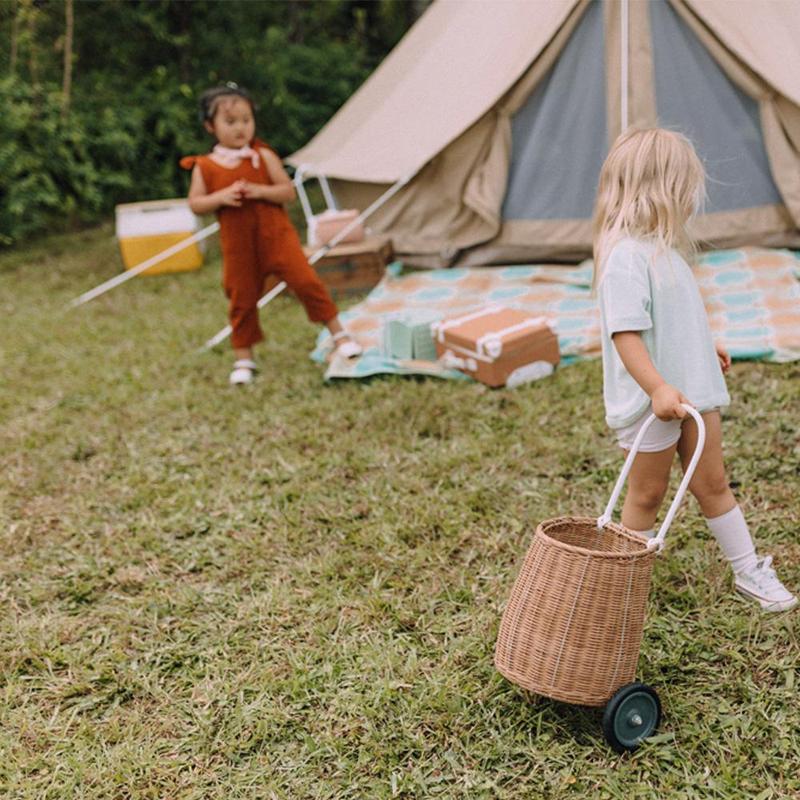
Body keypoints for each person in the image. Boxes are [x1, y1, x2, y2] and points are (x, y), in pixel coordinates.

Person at [593, 127, 796, 612]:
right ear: (664, 191)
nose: (691, 201)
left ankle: (748, 569)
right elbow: (626, 334)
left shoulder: (665, 252)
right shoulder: (624, 257)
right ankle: (623, 584)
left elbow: (674, 320)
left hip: (695, 391)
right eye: (686, 190)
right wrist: (659, 388)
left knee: (713, 483)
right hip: (654, 401)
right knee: (647, 491)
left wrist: (706, 347)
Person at [181, 84, 361, 385]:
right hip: (239, 246)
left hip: (276, 237)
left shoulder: (262, 156)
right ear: (211, 127)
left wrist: (260, 191)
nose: (241, 128)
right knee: (241, 296)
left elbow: (287, 192)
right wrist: (221, 197)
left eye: (246, 120)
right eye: (231, 122)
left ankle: (339, 334)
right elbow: (196, 204)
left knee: (306, 281)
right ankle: (244, 358)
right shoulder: (206, 166)